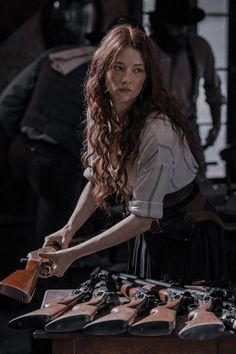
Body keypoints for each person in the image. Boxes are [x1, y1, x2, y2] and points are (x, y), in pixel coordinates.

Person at [39, 24, 228, 283]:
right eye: (118, 68)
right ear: (102, 70)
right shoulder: (100, 113)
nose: (127, 79)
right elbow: (99, 178)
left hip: (188, 234)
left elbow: (142, 218)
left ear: (147, 77)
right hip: (147, 230)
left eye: (137, 70)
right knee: (142, 314)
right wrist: (69, 230)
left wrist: (73, 254)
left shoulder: (158, 133)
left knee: (179, 317)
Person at [149, 0, 226, 165]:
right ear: (161, 24)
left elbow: (213, 88)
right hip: (150, 128)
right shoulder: (144, 50)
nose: (181, 30)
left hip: (188, 125)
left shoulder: (200, 48)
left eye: (184, 24)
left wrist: (216, 125)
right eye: (175, 25)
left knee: (196, 178)